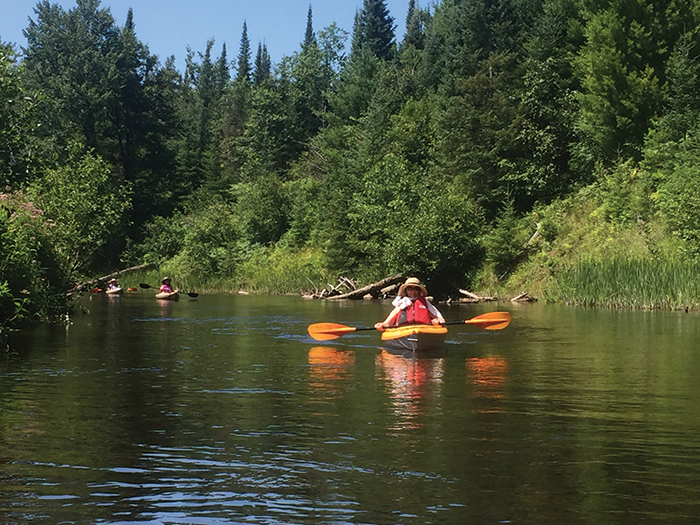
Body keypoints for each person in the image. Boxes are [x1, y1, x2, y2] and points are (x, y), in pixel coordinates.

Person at [375, 277, 445, 330]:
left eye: (416, 289)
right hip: (404, 329)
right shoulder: (402, 302)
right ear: (406, 290)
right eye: (410, 289)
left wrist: (437, 321)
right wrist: (384, 324)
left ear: (419, 290)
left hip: (423, 329)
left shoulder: (424, 302)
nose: (413, 292)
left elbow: (440, 319)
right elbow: (392, 316)